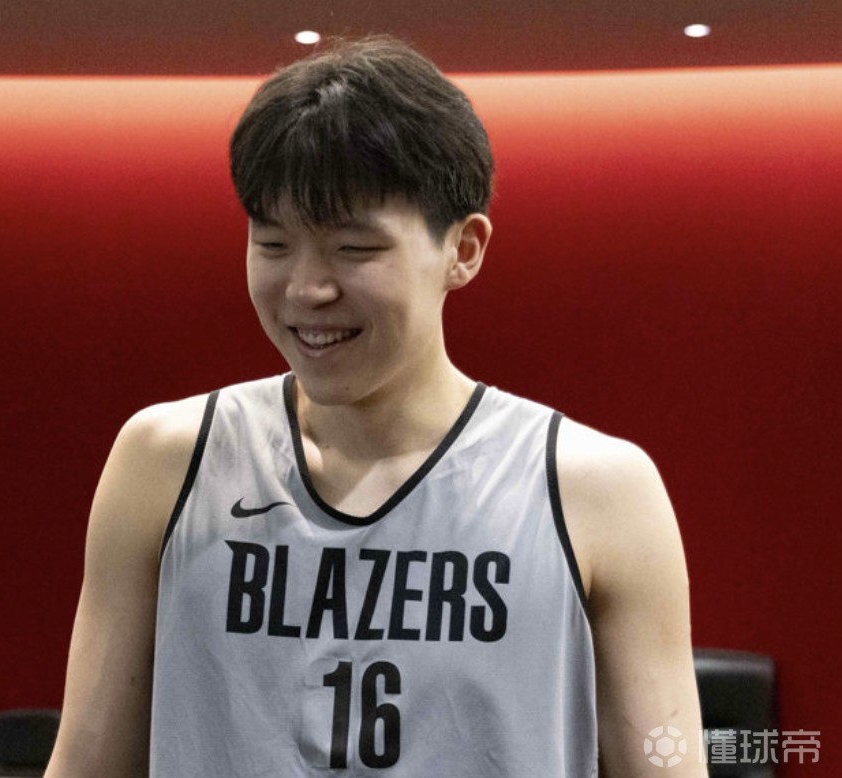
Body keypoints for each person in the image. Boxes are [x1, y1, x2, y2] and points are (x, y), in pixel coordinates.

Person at [44, 36, 705, 777]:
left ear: (464, 249)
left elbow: (668, 762)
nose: (307, 289)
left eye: (354, 249)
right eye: (273, 244)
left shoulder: (596, 489)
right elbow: (85, 763)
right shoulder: (167, 462)